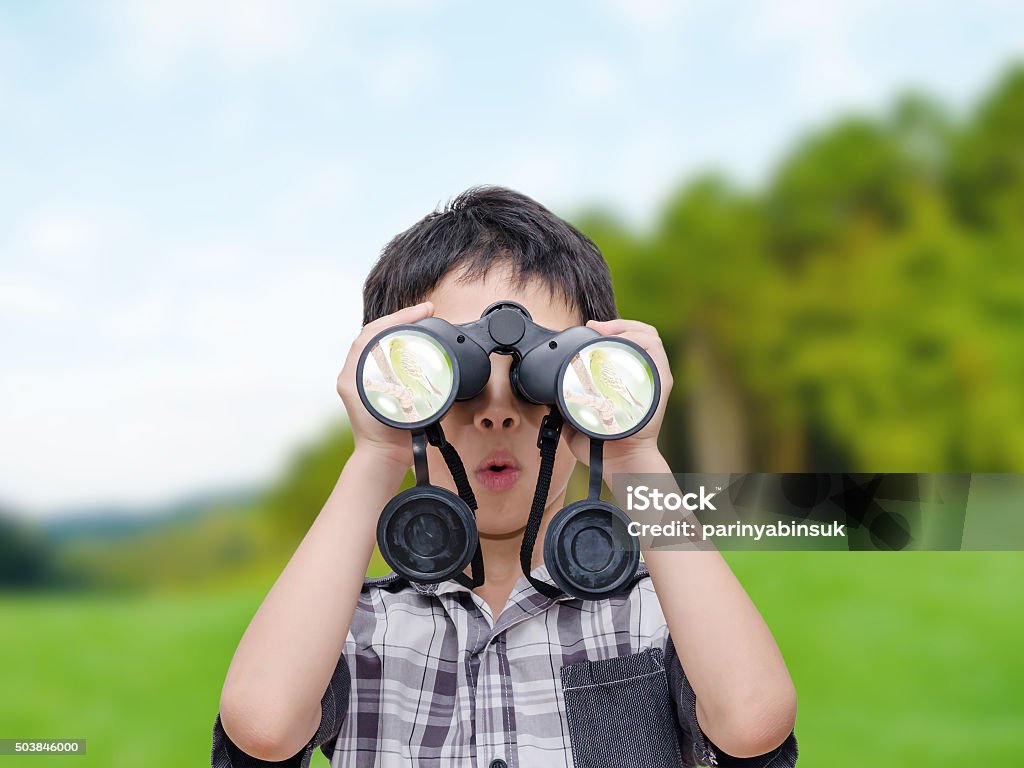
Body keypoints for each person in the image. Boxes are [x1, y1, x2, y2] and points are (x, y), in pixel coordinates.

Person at [210, 186, 799, 768]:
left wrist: (633, 453)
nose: (497, 411)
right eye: (454, 379)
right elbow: (264, 726)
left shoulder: (660, 612)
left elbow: (752, 725)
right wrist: (376, 454)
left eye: (538, 378)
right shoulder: (354, 624)